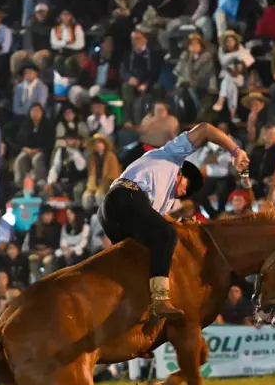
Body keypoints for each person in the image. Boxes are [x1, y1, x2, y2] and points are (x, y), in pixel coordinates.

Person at [98, 123, 249, 320]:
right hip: (125, 198)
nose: (184, 193)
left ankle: (128, 312)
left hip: (112, 214)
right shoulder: (171, 155)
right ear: (181, 175)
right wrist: (235, 151)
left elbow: (156, 222)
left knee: (144, 259)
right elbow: (205, 129)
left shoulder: (166, 202)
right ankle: (160, 299)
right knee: (167, 235)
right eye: (187, 187)